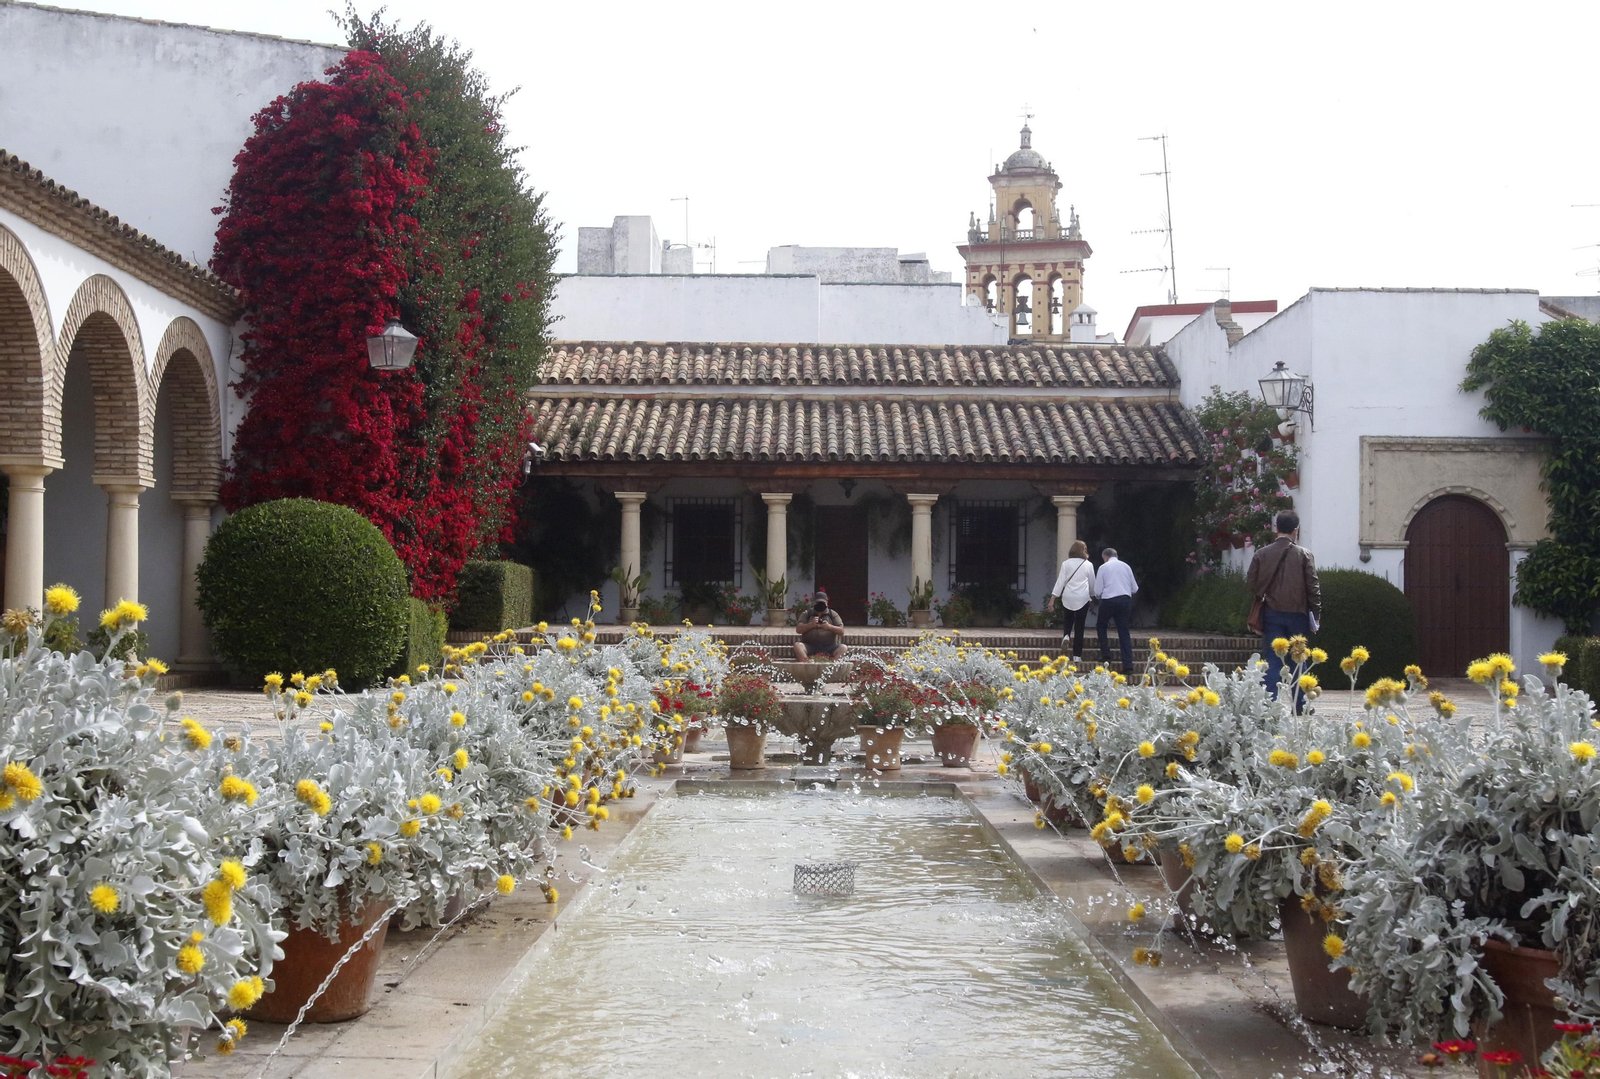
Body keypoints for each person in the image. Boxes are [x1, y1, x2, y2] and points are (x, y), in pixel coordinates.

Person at [1247, 510, 1322, 712]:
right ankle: (1301, 705)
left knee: (1272, 659)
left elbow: (1251, 584)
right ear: (1296, 531)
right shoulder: (1304, 555)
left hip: (1272, 613)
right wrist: (1316, 615)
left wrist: (1267, 592)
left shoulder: (1261, 554)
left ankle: (1268, 705)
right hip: (1298, 614)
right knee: (1299, 658)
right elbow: (1313, 588)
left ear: (1276, 529)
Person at [1045, 540, 1097, 662]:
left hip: (1067, 596)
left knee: (1067, 621)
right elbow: (1092, 583)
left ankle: (1066, 636)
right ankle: (1077, 656)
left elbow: (1060, 582)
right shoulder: (1088, 564)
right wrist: (1092, 595)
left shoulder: (1066, 564)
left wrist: (1053, 598)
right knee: (1079, 627)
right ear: (1083, 550)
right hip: (1082, 598)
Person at [1094, 547, 1138, 675]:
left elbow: (1097, 591)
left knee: (1101, 625)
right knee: (1123, 631)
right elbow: (1134, 588)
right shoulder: (1126, 566)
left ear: (1105, 557)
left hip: (1109, 600)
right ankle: (1128, 665)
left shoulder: (1104, 567)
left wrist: (1099, 596)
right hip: (1125, 600)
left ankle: (1106, 655)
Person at [793, 590, 847, 661]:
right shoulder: (807, 613)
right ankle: (807, 665)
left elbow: (841, 631)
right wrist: (810, 625)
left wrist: (829, 627)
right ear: (813, 603)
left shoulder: (832, 614)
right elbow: (798, 630)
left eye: (822, 603)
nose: (820, 605)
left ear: (827, 603)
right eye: (818, 603)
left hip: (829, 646)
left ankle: (832, 666)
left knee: (843, 648)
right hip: (809, 645)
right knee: (798, 646)